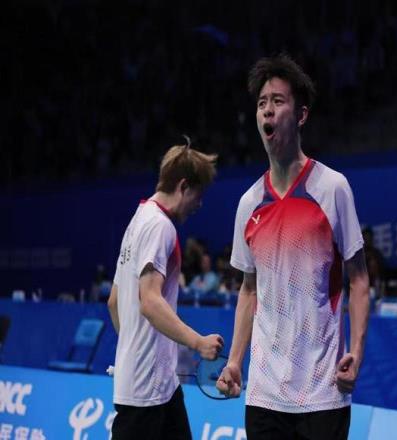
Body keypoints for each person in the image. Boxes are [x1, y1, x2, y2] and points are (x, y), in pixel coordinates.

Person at [216, 54, 370, 440]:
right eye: (261, 103)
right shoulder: (249, 203)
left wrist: (356, 351)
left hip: (322, 392)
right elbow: (249, 289)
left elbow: (359, 280)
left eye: (277, 101)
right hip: (264, 394)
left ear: (301, 115)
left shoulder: (332, 188)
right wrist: (234, 361)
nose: (267, 110)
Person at [107, 138, 224, 440]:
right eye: (198, 194)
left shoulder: (138, 220)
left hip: (162, 385)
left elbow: (114, 301)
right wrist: (198, 342)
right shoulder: (160, 226)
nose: (200, 204)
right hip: (145, 392)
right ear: (183, 186)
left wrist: (131, 352)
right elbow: (149, 302)